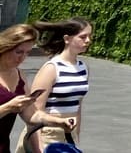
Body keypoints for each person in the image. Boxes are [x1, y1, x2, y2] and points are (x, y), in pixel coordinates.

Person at [16, 19, 91, 153]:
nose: (88, 40)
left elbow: (78, 106)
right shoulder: (51, 68)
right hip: (46, 133)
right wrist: (38, 147)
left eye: (90, 36)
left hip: (68, 132)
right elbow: (35, 111)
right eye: (83, 37)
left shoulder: (83, 68)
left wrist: (76, 138)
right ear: (67, 39)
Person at [0, 25, 76, 153]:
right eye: (19, 52)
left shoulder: (20, 76)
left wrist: (58, 122)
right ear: (5, 47)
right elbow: (10, 107)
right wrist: (8, 107)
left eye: (27, 53)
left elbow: (32, 115)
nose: (22, 58)